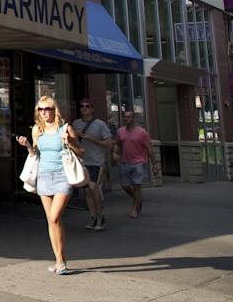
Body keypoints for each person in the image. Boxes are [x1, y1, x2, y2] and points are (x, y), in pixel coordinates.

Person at [16, 95, 81, 275]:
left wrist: (71, 143)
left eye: (48, 109)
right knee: (52, 221)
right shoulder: (38, 129)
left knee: (54, 217)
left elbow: (81, 152)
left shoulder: (65, 128)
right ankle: (60, 260)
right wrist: (28, 145)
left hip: (62, 177)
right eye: (41, 109)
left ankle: (61, 260)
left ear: (55, 110)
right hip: (44, 177)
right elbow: (35, 153)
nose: (44, 112)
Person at [71, 98, 113, 231]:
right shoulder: (76, 123)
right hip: (82, 162)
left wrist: (91, 139)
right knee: (88, 191)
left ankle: (100, 215)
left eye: (87, 106)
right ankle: (93, 217)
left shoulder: (100, 124)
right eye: (82, 106)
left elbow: (109, 144)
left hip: (96, 162)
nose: (84, 108)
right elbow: (71, 142)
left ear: (92, 109)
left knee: (93, 187)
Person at [114, 109, 152, 218]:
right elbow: (117, 144)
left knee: (137, 186)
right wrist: (114, 153)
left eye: (128, 117)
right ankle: (138, 198)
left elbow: (149, 149)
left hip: (138, 162)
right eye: (125, 117)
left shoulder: (142, 132)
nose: (126, 119)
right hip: (125, 161)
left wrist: (155, 164)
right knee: (125, 186)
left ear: (133, 118)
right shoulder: (120, 131)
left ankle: (134, 208)